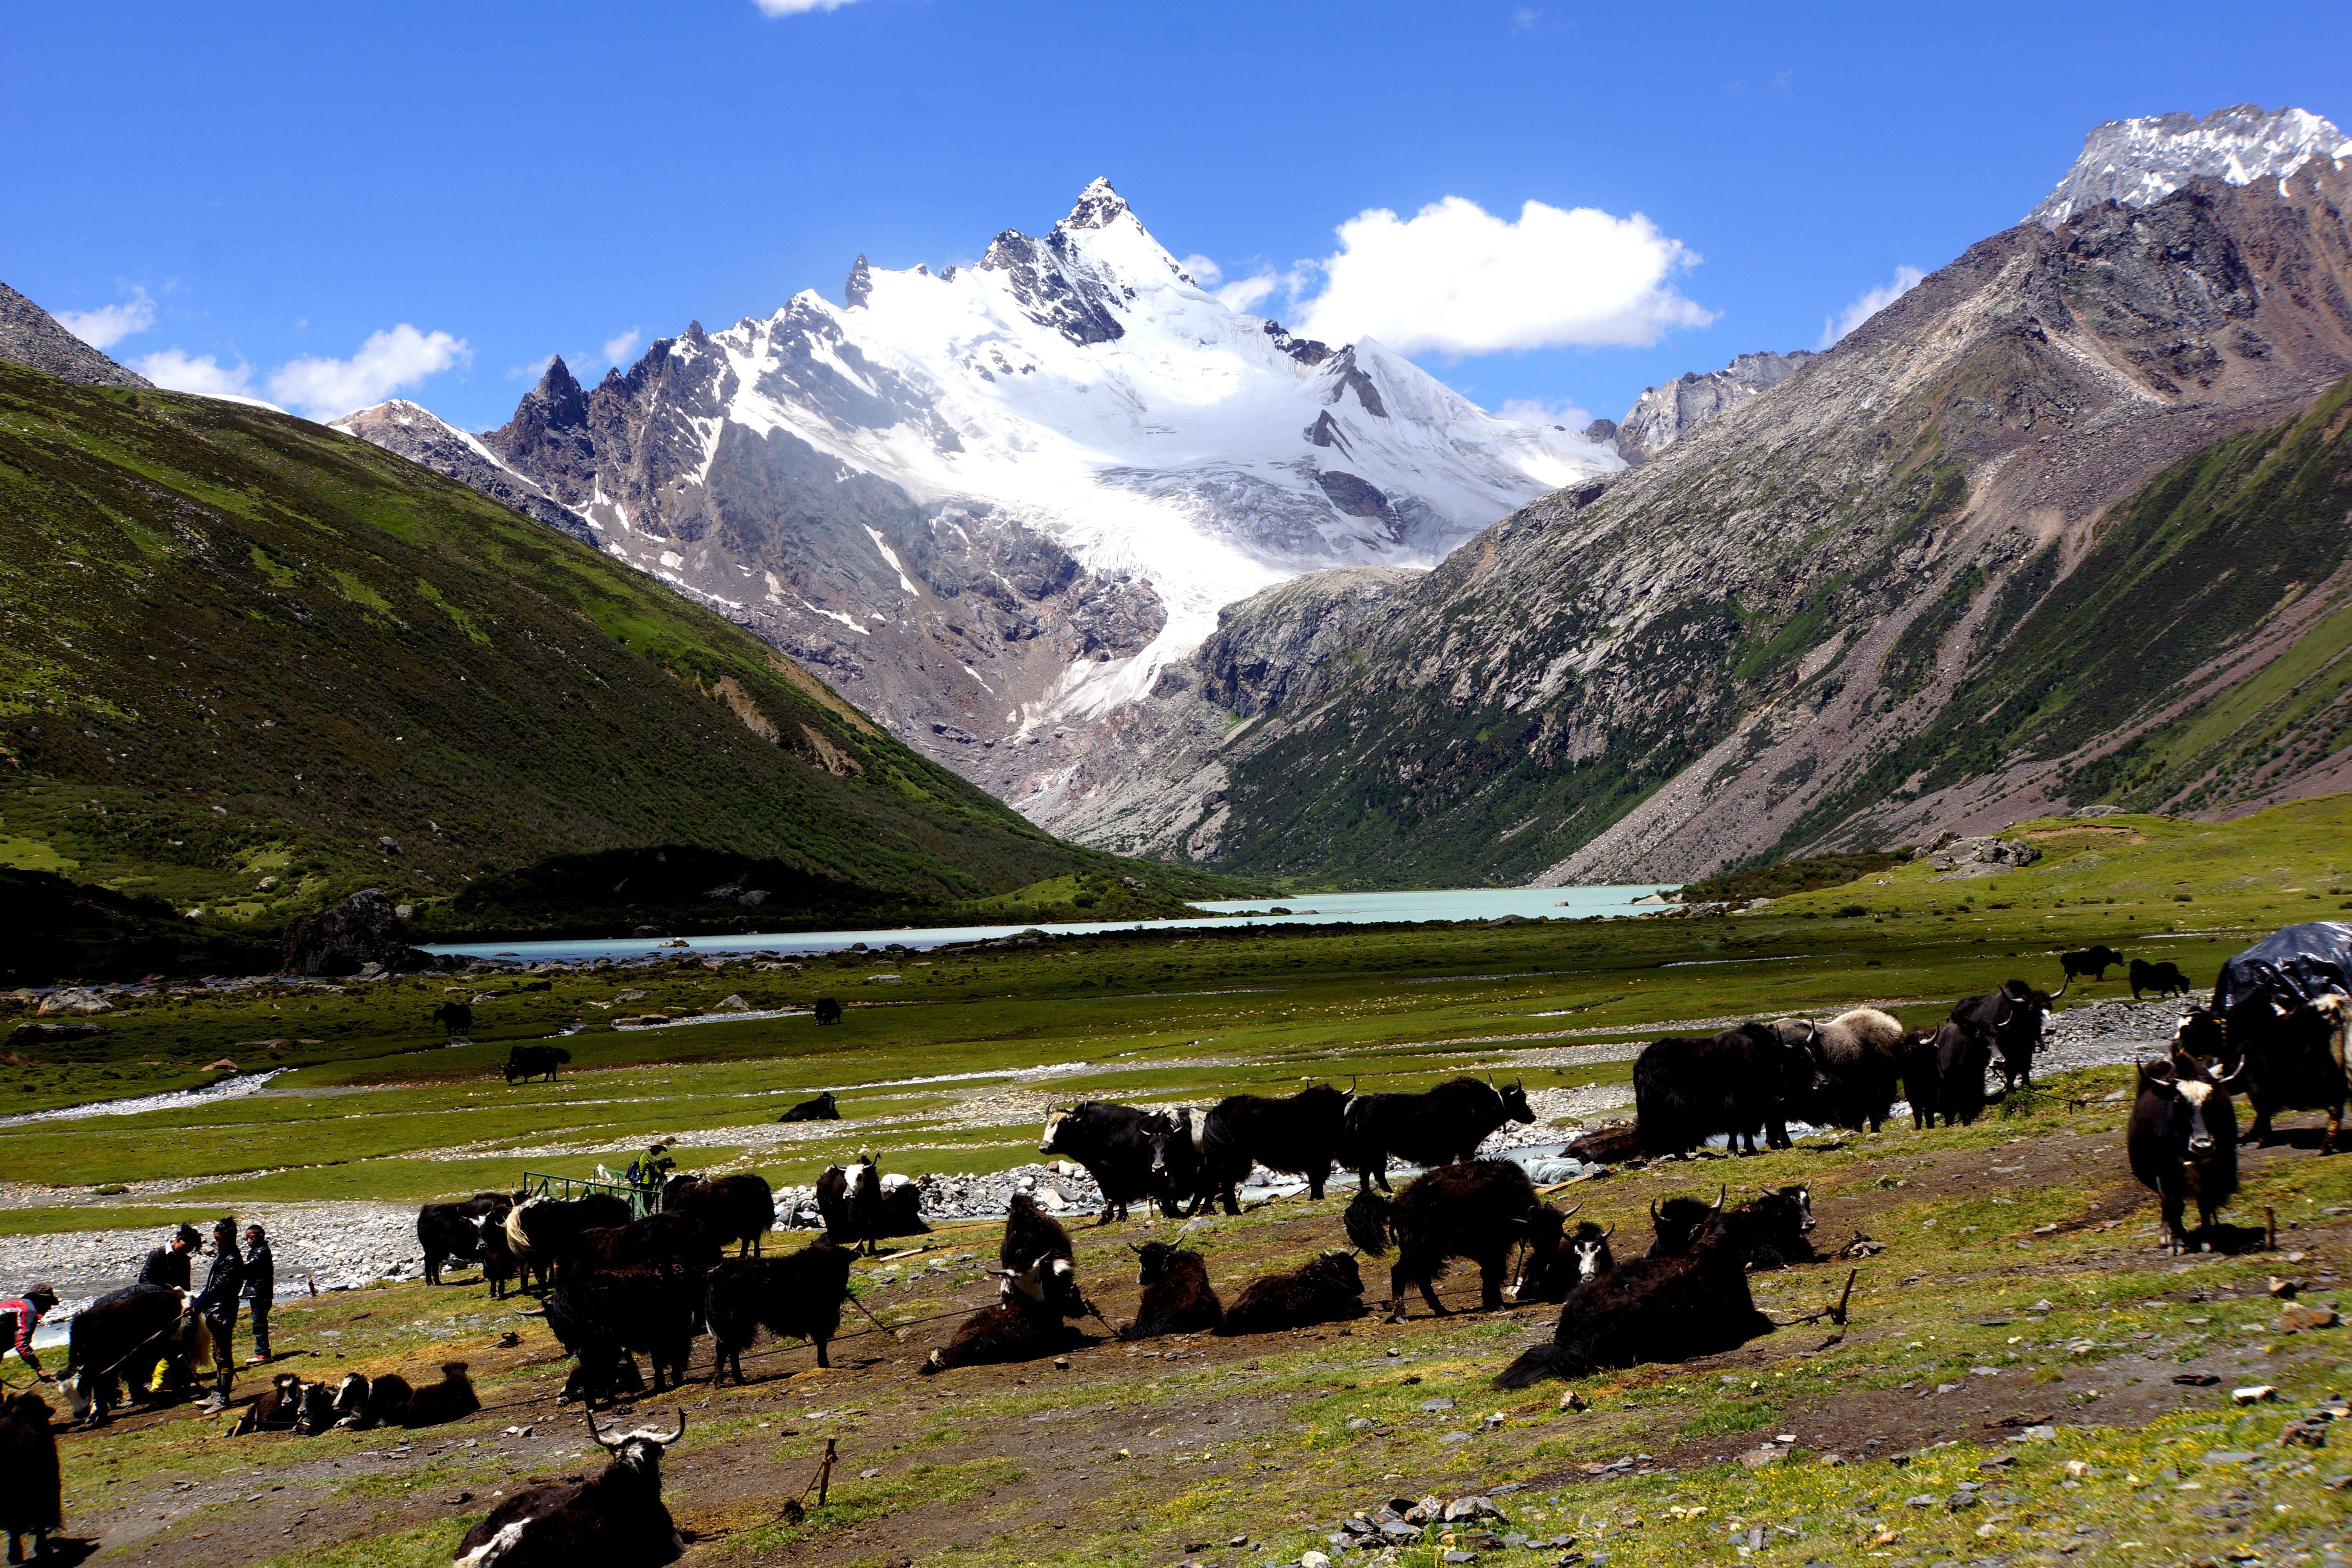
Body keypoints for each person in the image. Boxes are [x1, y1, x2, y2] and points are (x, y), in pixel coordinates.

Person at [193, 1216, 243, 1410]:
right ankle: (219, 1391)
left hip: (224, 1312)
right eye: (215, 1238)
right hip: (215, 1310)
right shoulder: (224, 1256)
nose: (217, 1242)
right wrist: (197, 1303)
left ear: (230, 1239)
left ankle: (224, 1397)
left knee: (223, 1355)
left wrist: (199, 1306)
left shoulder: (232, 1260)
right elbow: (210, 1287)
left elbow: (219, 1288)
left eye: (220, 1239)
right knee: (218, 1353)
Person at [0, 1285, 58, 1383]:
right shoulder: (29, 1311)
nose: (50, 1308)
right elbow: (22, 1344)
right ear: (40, 1300)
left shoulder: (17, 1307)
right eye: (49, 1303)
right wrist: (39, 1369)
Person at [239, 1224, 274, 1365]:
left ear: (260, 1237)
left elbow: (249, 1268)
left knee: (259, 1323)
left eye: (251, 1238)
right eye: (247, 1238)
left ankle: (263, 1353)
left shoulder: (261, 1252)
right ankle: (262, 1351)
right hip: (259, 1292)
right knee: (259, 1322)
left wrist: (235, 1268)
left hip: (260, 1293)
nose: (248, 1241)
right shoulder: (257, 1250)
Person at [138, 1224, 201, 1290]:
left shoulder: (185, 1260)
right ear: (179, 1239)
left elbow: (186, 1285)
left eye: (191, 1250)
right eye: (187, 1247)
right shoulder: (158, 1254)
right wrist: (162, 1292)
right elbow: (144, 1279)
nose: (188, 1251)